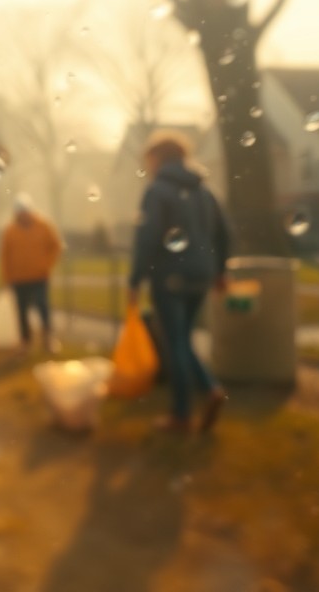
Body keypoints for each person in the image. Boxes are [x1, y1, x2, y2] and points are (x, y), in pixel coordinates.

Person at [127, 131, 230, 434]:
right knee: (183, 339)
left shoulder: (157, 191)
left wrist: (135, 280)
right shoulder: (204, 190)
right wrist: (220, 272)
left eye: (149, 159)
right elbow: (223, 233)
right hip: (202, 275)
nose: (147, 166)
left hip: (170, 276)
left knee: (176, 343)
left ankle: (182, 414)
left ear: (159, 157)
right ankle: (209, 390)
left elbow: (146, 239)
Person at [0, 195, 62, 351]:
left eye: (25, 212)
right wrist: (7, 277)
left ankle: (48, 339)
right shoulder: (10, 231)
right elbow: (5, 256)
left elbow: (55, 246)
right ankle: (25, 341)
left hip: (39, 277)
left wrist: (46, 265)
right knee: (21, 312)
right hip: (19, 279)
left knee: (43, 307)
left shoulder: (43, 226)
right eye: (20, 213)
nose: (23, 216)